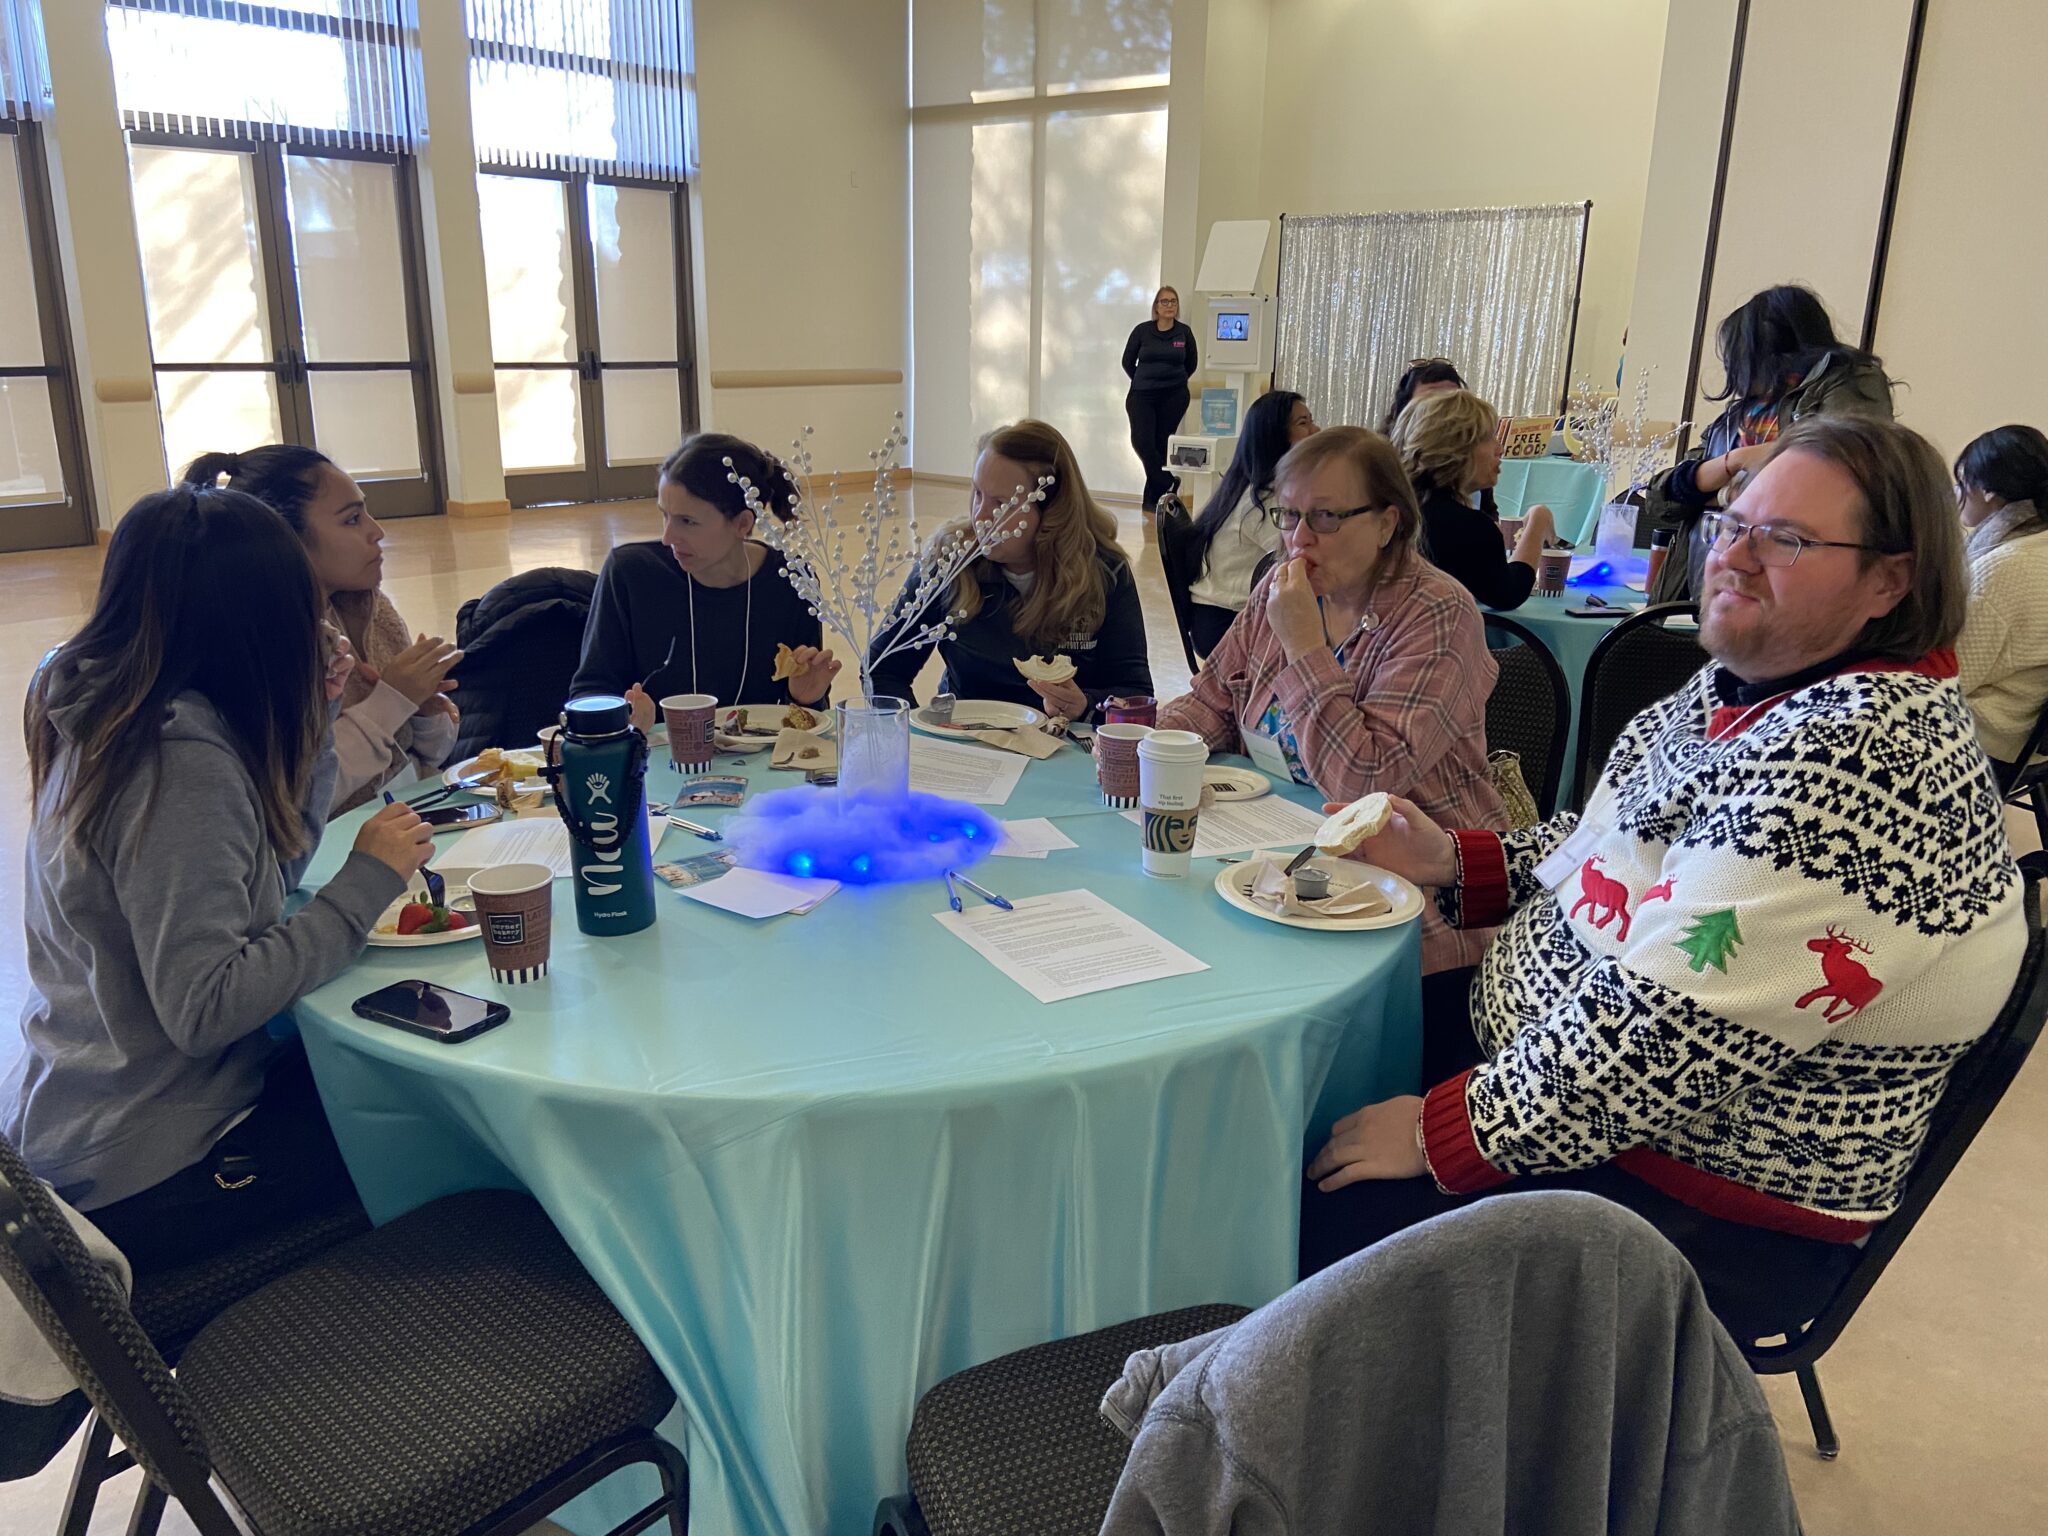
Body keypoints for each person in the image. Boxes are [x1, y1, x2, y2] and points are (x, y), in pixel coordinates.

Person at [1298, 416, 2028, 1345]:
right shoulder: (1751, 683)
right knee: (1302, 1079)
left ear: (1892, 579)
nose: (1737, 556)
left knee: (1311, 1223)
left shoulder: (1861, 756)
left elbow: (1669, 1040)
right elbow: (1618, 848)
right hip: (1567, 1093)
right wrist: (1454, 860)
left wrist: (1447, 1133)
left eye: (1789, 539)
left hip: (1697, 1196)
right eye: (1734, 524)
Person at [3, 484, 432, 1276]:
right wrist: (366, 882)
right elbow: (206, 1008)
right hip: (153, 1167)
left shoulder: (105, 705)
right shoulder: (174, 762)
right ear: (253, 621)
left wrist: (314, 720)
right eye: (302, 609)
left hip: (87, 1121)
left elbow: (261, 883)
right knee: (433, 1121)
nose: (320, 629)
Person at [1155, 426, 1506, 980]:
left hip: (1406, 908)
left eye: (1325, 517)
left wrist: (1303, 646)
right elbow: (1211, 703)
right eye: (1288, 515)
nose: (1298, 540)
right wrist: (1154, 749)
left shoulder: (1438, 613)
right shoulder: (1280, 585)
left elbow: (1366, 785)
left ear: (1387, 523)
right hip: (1274, 865)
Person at [186, 446, 461, 812]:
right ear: (285, 539)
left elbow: (431, 755)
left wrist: (424, 708)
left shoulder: (373, 611)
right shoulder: (259, 644)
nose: (376, 532)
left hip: (404, 821)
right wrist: (392, 700)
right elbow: (298, 797)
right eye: (352, 520)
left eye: (366, 513)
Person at [868, 419, 1152, 718]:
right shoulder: (950, 559)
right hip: (968, 745)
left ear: (1051, 512)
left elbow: (1136, 694)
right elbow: (881, 670)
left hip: (1066, 747)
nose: (981, 516)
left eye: (1001, 504)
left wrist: (1085, 706)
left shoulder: (1105, 572)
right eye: (977, 493)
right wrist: (915, 740)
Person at [571, 433, 840, 733]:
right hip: (652, 763)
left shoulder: (792, 582)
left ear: (743, 524)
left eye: (687, 521)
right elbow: (589, 691)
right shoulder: (630, 574)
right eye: (665, 516)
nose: (668, 537)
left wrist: (804, 699)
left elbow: (804, 721)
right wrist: (621, 721)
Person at [1644, 284, 1894, 603]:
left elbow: (1833, 475)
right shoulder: (1739, 415)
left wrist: (1721, 492)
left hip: (1786, 583)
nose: (1733, 370)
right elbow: (1661, 499)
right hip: (1704, 586)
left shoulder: (1853, 382)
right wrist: (1734, 462)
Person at [1392, 389, 1555, 610]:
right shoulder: (1467, 528)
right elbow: (1508, 594)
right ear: (1457, 449)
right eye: (1489, 438)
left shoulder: (1392, 510)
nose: (1500, 448)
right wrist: (1537, 522)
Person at [1183, 390, 1316, 655]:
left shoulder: (1247, 485)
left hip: (1217, 615)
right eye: (1304, 423)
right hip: (1224, 623)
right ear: (1275, 435)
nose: (1316, 430)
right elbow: (1299, 558)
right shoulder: (1262, 499)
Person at [1953, 424, 2048, 768]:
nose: (1956, 493)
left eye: (1961, 483)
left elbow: (1952, 677)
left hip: (1993, 738)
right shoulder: (2038, 542)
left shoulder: (2002, 568)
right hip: (2030, 736)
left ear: (1989, 490)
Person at [1123, 285, 1199, 512]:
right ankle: (1168, 482)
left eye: (1173, 302)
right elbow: (1127, 362)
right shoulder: (1142, 331)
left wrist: (1174, 380)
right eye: (1164, 301)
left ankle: (1151, 502)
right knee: (1142, 442)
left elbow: (1191, 363)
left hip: (1173, 396)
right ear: (1156, 306)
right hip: (1142, 395)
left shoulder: (1183, 332)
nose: (1169, 306)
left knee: (1160, 445)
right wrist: (1143, 380)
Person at [1379, 356, 1467, 436]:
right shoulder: (1382, 449)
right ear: (1406, 404)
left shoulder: (1475, 444)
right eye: (1432, 397)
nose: (1442, 405)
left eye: (1451, 397)